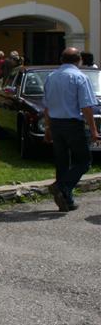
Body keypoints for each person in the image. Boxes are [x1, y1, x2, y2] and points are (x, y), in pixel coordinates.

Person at [44, 47, 100, 212]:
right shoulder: (80, 77)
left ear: (62, 59)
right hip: (72, 124)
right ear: (79, 60)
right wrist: (94, 130)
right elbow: (87, 107)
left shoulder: (51, 77)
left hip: (55, 123)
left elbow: (46, 106)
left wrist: (48, 128)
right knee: (84, 161)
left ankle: (66, 200)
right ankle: (62, 186)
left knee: (62, 162)